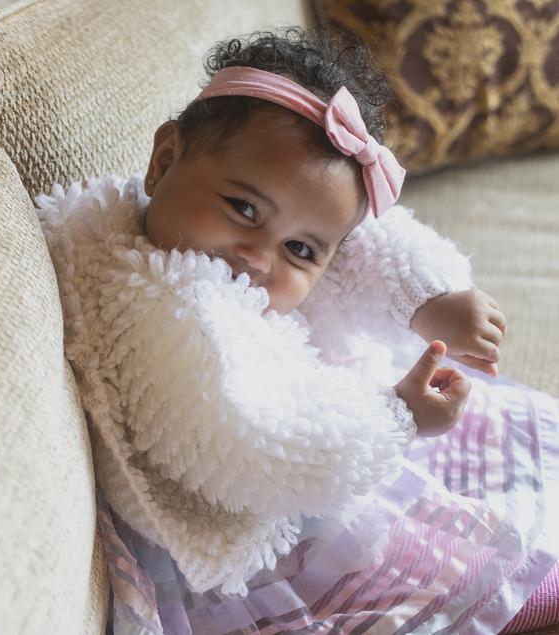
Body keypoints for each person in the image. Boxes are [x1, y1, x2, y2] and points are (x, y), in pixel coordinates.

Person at [37, 28, 558, 634]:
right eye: (245, 208)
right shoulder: (167, 309)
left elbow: (364, 243)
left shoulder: (195, 237)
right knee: (462, 573)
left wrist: (434, 299)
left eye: (299, 248)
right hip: (266, 517)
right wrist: (395, 420)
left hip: (321, 427)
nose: (260, 255)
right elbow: (254, 443)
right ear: (164, 161)